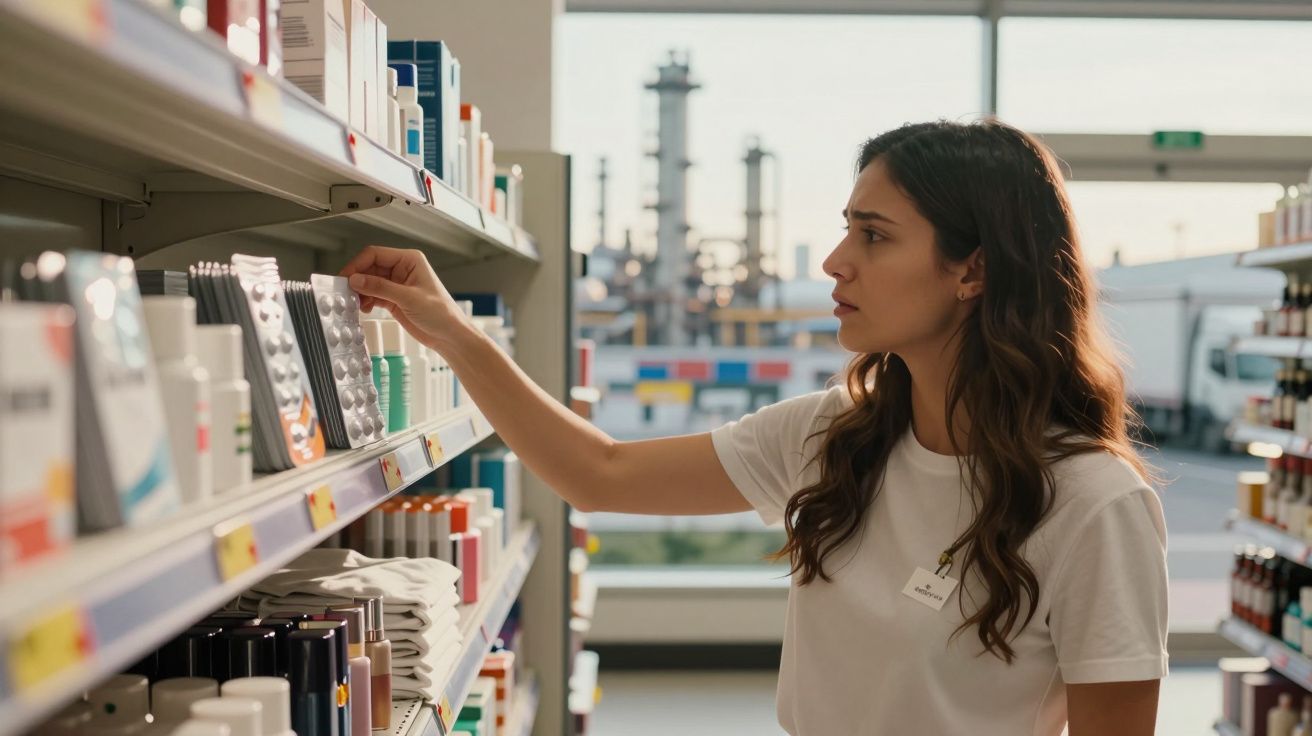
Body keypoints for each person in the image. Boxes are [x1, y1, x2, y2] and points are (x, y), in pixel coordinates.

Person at [341, 119, 1168, 736]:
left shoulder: (1092, 504)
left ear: (973, 271)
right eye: (847, 226)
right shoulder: (837, 435)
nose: (835, 261)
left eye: (873, 236)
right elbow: (600, 473)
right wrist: (451, 331)